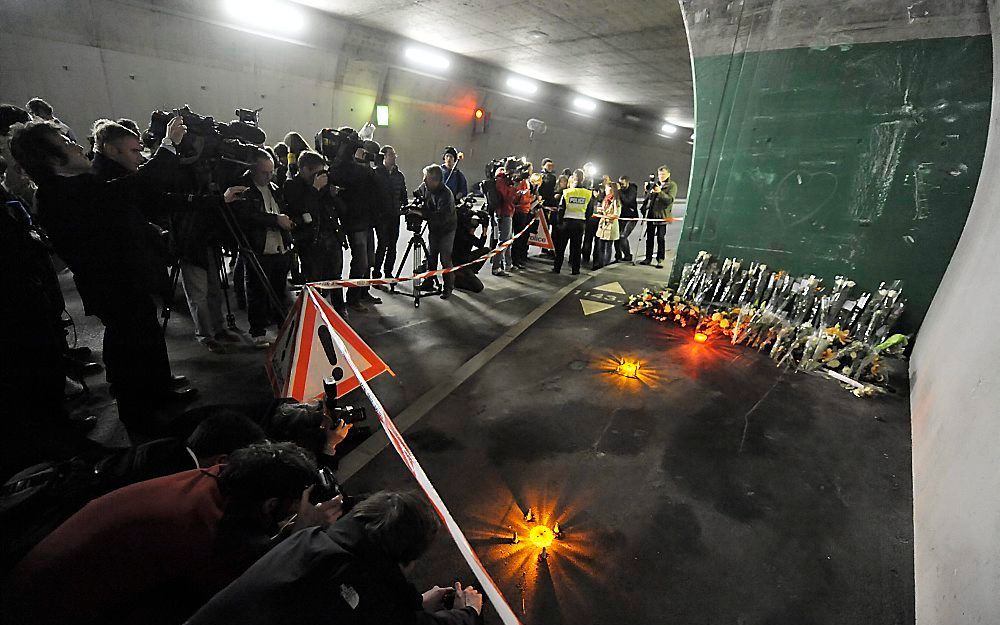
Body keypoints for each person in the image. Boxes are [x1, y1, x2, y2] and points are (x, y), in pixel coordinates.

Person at [9, 117, 240, 429]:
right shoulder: (58, 194)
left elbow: (145, 197)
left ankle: (159, 393)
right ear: (51, 158)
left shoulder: (80, 185)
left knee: (146, 336)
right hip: (112, 285)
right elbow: (132, 188)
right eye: (65, 143)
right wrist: (168, 148)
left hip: (129, 278)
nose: (77, 145)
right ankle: (137, 412)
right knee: (129, 344)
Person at [4, 441, 343, 625]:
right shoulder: (200, 527)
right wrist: (300, 533)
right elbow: (247, 586)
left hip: (34, 582)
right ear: (269, 506)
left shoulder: (212, 477)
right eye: (293, 504)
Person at [185, 490, 483, 625]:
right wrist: (467, 613)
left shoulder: (311, 541)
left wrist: (415, 603)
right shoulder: (364, 590)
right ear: (405, 557)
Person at [232, 150, 294, 347]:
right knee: (256, 291)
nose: (268, 176)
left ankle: (282, 327)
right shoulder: (243, 191)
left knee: (279, 290)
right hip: (257, 248)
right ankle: (257, 331)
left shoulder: (274, 188)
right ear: (252, 170)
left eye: (271, 172)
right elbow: (247, 218)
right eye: (264, 172)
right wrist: (276, 220)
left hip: (279, 247)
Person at [283, 150, 347, 315]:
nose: (319, 176)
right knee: (314, 279)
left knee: (335, 277)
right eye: (315, 172)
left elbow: (341, 210)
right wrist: (314, 189)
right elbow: (302, 209)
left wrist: (332, 195)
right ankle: (315, 312)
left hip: (331, 236)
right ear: (304, 170)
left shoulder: (324, 186)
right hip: (310, 241)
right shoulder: (292, 186)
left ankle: (340, 309)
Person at [417, 164, 457, 299]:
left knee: (445, 258)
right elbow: (420, 196)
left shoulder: (446, 195)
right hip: (434, 228)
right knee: (431, 256)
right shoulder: (428, 189)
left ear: (435, 180)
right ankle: (429, 282)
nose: (423, 181)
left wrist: (423, 213)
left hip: (446, 229)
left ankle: (448, 287)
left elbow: (441, 217)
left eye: (426, 178)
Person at [373, 144, 407, 282]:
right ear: (384, 157)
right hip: (382, 217)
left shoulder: (399, 176)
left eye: (394, 155)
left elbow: (403, 194)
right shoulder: (376, 174)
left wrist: (404, 205)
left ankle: (388, 273)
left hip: (395, 215)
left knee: (392, 245)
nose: (394, 157)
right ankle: (376, 273)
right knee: (382, 244)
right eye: (391, 155)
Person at [551, 169, 592, 275]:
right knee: (576, 249)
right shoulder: (588, 193)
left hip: (566, 222)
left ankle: (557, 268)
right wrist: (585, 223)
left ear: (573, 178)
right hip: (579, 223)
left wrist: (559, 223)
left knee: (561, 248)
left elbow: (561, 208)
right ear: (583, 179)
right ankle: (575, 269)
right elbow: (589, 211)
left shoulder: (567, 192)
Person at [640, 165, 678, 268]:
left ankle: (660, 259)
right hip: (651, 214)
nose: (661, 176)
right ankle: (648, 258)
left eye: (663, 174)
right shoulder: (655, 184)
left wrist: (659, 192)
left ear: (668, 174)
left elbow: (669, 200)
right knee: (649, 238)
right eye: (660, 174)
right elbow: (648, 199)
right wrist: (647, 191)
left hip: (662, 216)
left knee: (660, 238)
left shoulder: (672, 185)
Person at [491, 159, 517, 276]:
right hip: (503, 213)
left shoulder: (506, 181)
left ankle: (508, 264)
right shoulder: (500, 181)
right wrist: (513, 187)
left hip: (508, 212)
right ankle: (496, 267)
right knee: (503, 241)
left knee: (508, 240)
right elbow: (507, 197)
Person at [510, 162, 535, 269]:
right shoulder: (522, 182)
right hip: (520, 212)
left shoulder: (526, 182)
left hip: (524, 211)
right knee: (518, 238)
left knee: (521, 238)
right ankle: (515, 260)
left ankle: (518, 259)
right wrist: (532, 199)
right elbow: (520, 198)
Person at [594, 179, 621, 269]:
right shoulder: (605, 199)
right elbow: (604, 210)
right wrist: (601, 211)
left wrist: (607, 215)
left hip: (611, 225)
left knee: (608, 246)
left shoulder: (615, 200)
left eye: (607, 188)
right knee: (600, 245)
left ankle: (605, 264)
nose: (605, 190)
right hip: (603, 225)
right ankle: (600, 263)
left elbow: (616, 214)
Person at [615, 176, 639, 262]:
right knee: (617, 237)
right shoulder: (620, 190)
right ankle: (620, 256)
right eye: (620, 183)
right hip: (622, 216)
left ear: (627, 182)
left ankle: (628, 255)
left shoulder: (632, 190)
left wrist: (618, 191)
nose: (621, 185)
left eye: (623, 184)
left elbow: (628, 201)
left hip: (631, 217)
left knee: (623, 236)